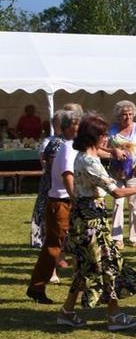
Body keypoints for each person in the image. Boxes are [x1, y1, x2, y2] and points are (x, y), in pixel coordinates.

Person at [56, 114, 136, 331]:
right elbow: (118, 192)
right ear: (94, 137)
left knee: (85, 268)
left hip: (87, 218)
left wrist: (113, 151)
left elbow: (101, 153)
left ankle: (67, 312)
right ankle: (114, 315)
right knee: (107, 266)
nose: (106, 139)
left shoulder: (83, 156)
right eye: (103, 135)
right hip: (91, 222)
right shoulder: (90, 162)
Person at [26, 107, 82, 304]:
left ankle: (81, 286)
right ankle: (37, 287)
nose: (81, 128)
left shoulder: (72, 144)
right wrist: (75, 197)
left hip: (62, 200)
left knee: (72, 245)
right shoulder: (67, 146)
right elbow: (67, 175)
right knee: (53, 247)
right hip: (61, 202)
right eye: (77, 125)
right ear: (68, 128)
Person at [28, 104, 83, 250]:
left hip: (61, 185)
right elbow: (53, 166)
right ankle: (46, 242)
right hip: (55, 185)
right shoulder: (57, 143)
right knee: (50, 216)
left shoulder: (70, 142)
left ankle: (63, 245)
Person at [108, 100, 136, 247]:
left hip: (135, 172)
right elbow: (103, 148)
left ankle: (135, 237)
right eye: (124, 114)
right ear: (118, 116)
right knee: (118, 203)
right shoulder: (112, 130)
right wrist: (113, 152)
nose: (128, 117)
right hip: (116, 172)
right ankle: (117, 237)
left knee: (134, 204)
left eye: (130, 114)